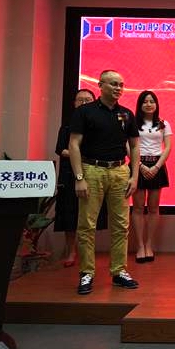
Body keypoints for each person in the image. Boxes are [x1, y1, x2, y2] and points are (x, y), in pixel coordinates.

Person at [69, 69, 140, 295]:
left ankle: (119, 271)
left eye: (121, 84)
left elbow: (135, 146)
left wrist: (134, 175)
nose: (118, 88)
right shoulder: (85, 112)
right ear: (100, 85)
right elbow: (74, 145)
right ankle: (86, 272)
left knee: (121, 225)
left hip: (119, 171)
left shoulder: (127, 114)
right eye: (113, 84)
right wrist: (79, 178)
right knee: (86, 225)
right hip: (92, 170)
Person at [54, 89, 108, 267]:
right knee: (69, 213)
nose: (84, 103)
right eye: (80, 100)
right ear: (74, 103)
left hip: (94, 172)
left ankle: (87, 251)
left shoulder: (99, 123)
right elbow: (60, 149)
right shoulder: (68, 125)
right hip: (71, 175)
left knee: (90, 215)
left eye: (88, 100)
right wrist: (79, 155)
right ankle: (71, 251)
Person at [131, 90, 171, 263]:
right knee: (138, 208)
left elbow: (167, 147)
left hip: (157, 166)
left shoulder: (163, 123)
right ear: (140, 105)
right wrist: (139, 165)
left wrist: (156, 167)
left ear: (156, 104)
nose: (148, 104)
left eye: (152, 101)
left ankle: (149, 245)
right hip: (138, 165)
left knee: (154, 208)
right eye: (145, 101)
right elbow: (128, 146)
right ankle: (140, 246)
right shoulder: (133, 123)